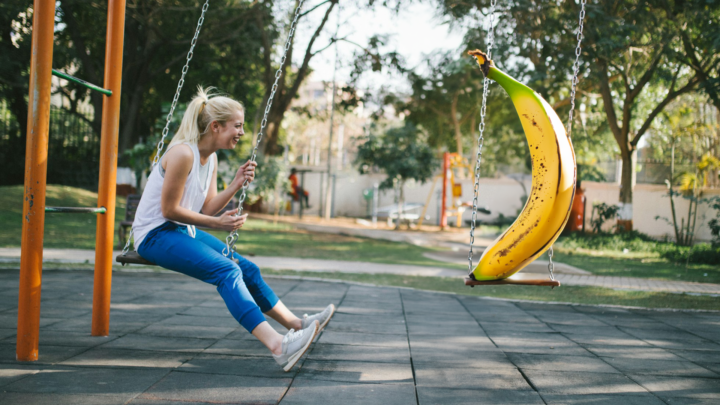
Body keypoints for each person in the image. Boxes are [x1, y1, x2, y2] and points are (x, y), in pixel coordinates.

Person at [132, 87, 334, 372]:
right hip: (155, 235)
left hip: (179, 232)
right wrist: (217, 224)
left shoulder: (211, 158)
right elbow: (169, 211)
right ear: (216, 126)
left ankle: (298, 324)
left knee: (247, 268)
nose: (241, 132)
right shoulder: (182, 154)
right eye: (237, 125)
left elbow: (208, 208)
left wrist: (236, 183)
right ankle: (278, 346)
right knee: (227, 271)